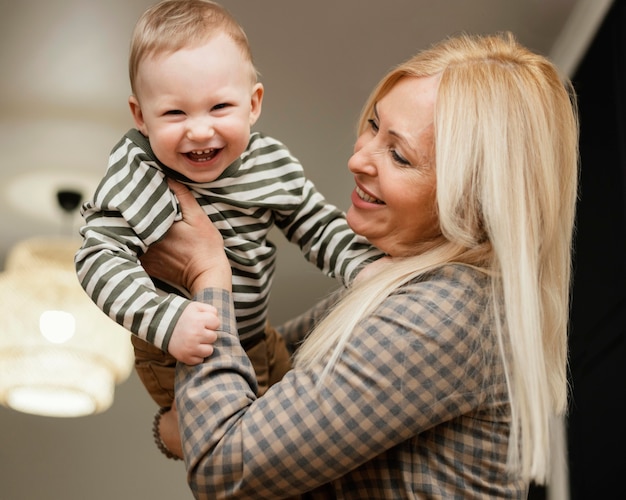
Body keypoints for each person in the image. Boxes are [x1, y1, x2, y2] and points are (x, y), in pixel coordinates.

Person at [141, 31, 579, 498]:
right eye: (372, 124)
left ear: (473, 201)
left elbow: (224, 463)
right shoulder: (392, 285)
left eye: (398, 154)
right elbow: (253, 373)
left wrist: (207, 274)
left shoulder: (445, 309)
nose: (356, 159)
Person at [74, 0, 381, 455]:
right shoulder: (138, 172)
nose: (199, 131)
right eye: (175, 114)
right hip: (178, 350)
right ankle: (183, 426)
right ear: (141, 117)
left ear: (253, 103)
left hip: (258, 336)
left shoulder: (270, 162)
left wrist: (361, 266)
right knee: (239, 450)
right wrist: (167, 320)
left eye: (219, 107)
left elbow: (314, 222)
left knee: (304, 441)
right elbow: (97, 259)